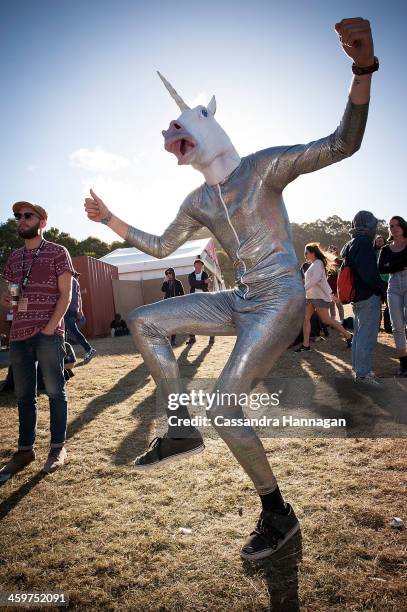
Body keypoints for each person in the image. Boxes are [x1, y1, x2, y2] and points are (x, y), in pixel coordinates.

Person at [85, 17, 376, 561]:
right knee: (147, 320)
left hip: (281, 296)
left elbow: (343, 143)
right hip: (240, 297)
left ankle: (277, 512)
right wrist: (110, 221)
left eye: (181, 127)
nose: (172, 139)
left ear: (207, 124)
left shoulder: (265, 168)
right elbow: (158, 245)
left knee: (225, 406)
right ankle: (178, 430)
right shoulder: (197, 201)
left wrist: (363, 68)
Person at [0, 201, 75, 482]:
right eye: (18, 216)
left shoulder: (58, 252)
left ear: (41, 222)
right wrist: (7, 298)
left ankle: (57, 449)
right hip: (19, 334)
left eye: (27, 216)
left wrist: (49, 329)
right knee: (23, 396)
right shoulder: (14, 257)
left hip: (47, 334)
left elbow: (65, 295)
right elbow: (9, 294)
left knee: (55, 392)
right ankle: (24, 451)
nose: (21, 219)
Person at [341, 211, 386, 385]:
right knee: (366, 336)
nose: (375, 229)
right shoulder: (365, 243)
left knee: (359, 335)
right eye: (374, 225)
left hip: (357, 296)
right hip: (368, 296)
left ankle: (358, 369)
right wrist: (381, 289)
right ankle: (363, 374)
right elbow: (369, 274)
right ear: (367, 226)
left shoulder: (350, 243)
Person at [295, 243, 352, 352]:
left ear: (312, 253)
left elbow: (316, 280)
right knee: (306, 319)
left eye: (306, 252)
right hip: (310, 297)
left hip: (319, 297)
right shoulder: (313, 264)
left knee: (326, 320)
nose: (305, 255)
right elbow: (320, 282)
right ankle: (306, 345)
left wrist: (302, 289)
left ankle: (348, 335)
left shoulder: (318, 263)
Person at [378, 216, 407, 377]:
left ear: (403, 226)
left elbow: (388, 266)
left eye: (397, 225)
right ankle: (403, 363)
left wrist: (392, 265)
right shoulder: (385, 249)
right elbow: (381, 268)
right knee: (397, 326)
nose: (394, 228)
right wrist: (402, 263)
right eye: (391, 226)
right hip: (393, 285)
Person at [64, 272, 96, 363]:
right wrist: (80, 309)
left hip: (68, 309)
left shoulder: (69, 280)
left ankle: (89, 349)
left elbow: (67, 295)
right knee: (65, 332)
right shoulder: (75, 282)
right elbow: (79, 297)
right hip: (72, 309)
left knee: (72, 330)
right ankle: (65, 355)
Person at [186, 259, 215, 346]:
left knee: (208, 317)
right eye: (197, 265)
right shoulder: (191, 275)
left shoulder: (205, 274)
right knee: (191, 317)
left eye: (200, 265)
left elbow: (204, 285)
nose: (199, 266)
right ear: (194, 266)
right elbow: (192, 284)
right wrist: (203, 282)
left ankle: (212, 336)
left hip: (204, 298)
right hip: (193, 299)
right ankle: (192, 337)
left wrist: (201, 283)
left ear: (202, 266)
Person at [161, 268, 184, 346]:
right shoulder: (166, 283)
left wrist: (179, 303)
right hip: (167, 304)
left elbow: (182, 294)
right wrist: (165, 281)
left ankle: (173, 340)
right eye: (167, 274)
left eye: (170, 273)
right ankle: (166, 338)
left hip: (175, 305)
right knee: (167, 322)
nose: (168, 275)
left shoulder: (178, 282)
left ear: (173, 273)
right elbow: (162, 290)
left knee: (174, 323)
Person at [327, 245, 345, 323]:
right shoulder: (326, 261)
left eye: (333, 251)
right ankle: (333, 320)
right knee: (331, 304)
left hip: (337, 284)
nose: (332, 252)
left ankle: (342, 320)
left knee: (338, 304)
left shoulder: (340, 261)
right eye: (330, 251)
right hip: (329, 284)